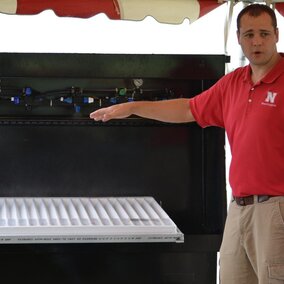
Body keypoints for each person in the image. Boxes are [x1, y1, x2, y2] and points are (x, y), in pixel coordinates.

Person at [90, 4, 284, 283]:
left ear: (276, 35)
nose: (257, 41)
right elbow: (188, 109)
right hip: (238, 210)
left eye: (264, 33)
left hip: (276, 210)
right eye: (250, 34)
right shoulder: (233, 83)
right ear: (239, 37)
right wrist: (133, 107)